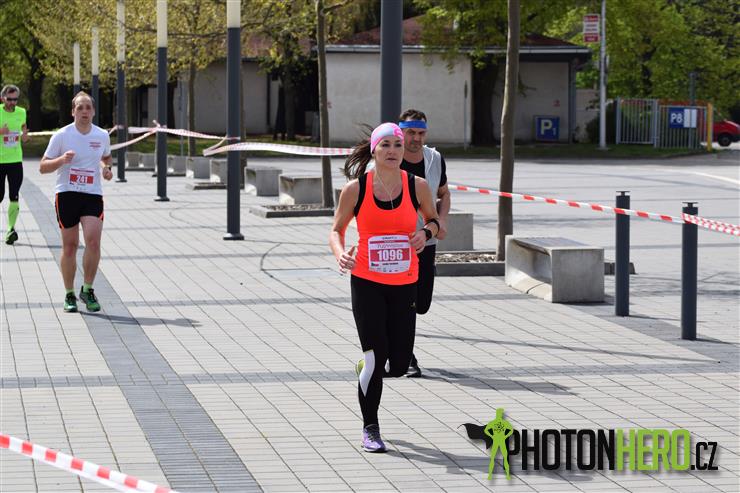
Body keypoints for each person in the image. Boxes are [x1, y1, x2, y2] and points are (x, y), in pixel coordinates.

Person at [330, 122, 440, 453]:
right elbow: (336, 230)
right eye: (386, 145)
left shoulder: (417, 186)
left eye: (397, 144)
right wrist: (341, 253)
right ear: (374, 150)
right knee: (376, 358)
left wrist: (425, 234)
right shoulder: (356, 189)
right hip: (367, 282)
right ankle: (370, 428)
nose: (393, 150)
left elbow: (435, 221)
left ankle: (368, 367)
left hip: (405, 282)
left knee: (400, 363)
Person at [40, 92, 112, 313]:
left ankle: (87, 289)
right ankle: (69, 293)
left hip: (92, 194)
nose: (84, 111)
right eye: (80, 107)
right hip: (67, 194)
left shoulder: (102, 135)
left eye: (88, 107)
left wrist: (107, 168)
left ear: (93, 111)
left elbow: (105, 157)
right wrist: (61, 160)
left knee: (93, 242)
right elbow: (43, 167)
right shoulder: (62, 136)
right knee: (70, 246)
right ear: (73, 112)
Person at [398, 109, 451, 378]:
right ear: (401, 132)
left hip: (426, 242)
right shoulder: (390, 157)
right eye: (411, 132)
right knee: (404, 302)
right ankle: (405, 355)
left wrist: (441, 221)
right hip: (396, 244)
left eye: (421, 133)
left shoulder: (434, 159)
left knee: (421, 304)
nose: (416, 138)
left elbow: (443, 193)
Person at [0, 84, 30, 245]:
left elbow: (23, 132)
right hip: (0, 161)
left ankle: (10, 229)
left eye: (15, 99)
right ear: (2, 98)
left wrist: (25, 136)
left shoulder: (21, 112)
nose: (13, 102)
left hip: (15, 161)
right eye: (10, 99)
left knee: (14, 196)